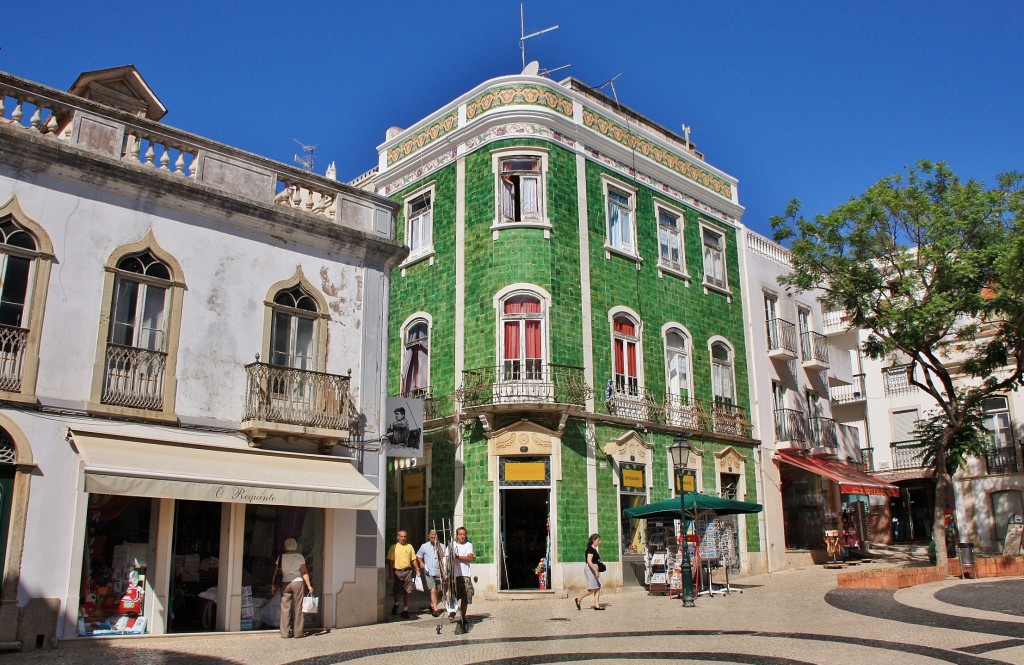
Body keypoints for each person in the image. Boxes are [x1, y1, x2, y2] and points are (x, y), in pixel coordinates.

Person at [271, 538, 313, 638]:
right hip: (297, 582)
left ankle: (285, 633)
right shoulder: (299, 557)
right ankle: (298, 632)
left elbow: (276, 572)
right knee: (298, 607)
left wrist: (273, 584)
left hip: (285, 583)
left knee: (285, 608)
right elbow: (304, 572)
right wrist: (309, 585)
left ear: (285, 546)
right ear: (295, 546)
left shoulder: (281, 557)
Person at [386, 530, 420, 618]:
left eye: (404, 536)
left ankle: (405, 610)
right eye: (401, 536)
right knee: (397, 592)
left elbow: (413, 559)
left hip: (408, 571)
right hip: (397, 571)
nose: (403, 538)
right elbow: (390, 560)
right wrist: (390, 571)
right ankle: (396, 604)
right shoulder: (394, 547)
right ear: (398, 537)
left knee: (408, 591)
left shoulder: (409, 547)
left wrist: (417, 568)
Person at [416, 529, 445, 617]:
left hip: (439, 571)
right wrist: (421, 563)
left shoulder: (442, 546)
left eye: (434, 536)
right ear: (429, 537)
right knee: (432, 589)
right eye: (431, 536)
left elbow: (445, 558)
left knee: (438, 590)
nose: (433, 538)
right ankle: (435, 609)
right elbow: (419, 556)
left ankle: (432, 604)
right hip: (428, 571)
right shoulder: (424, 546)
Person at [452, 526, 474, 633]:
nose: (462, 536)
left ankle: (463, 617)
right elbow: (448, 558)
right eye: (460, 534)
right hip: (454, 575)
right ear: (457, 535)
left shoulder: (469, 545)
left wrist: (458, 557)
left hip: (465, 574)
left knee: (465, 597)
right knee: (453, 596)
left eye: (464, 534)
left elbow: (470, 558)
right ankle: (452, 612)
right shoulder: (452, 545)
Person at [574, 533, 604, 610]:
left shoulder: (594, 550)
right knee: (592, 588)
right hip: (591, 569)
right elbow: (589, 561)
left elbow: (595, 560)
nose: (599, 542)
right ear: (593, 540)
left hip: (594, 568)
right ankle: (579, 599)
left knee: (598, 586)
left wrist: (600, 563)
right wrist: (595, 570)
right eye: (598, 540)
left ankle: (597, 605)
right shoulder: (590, 549)